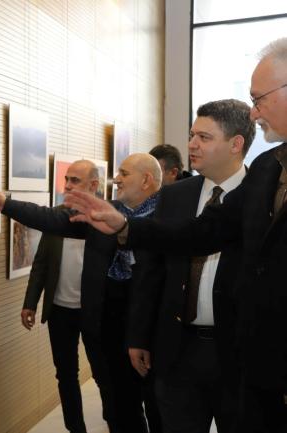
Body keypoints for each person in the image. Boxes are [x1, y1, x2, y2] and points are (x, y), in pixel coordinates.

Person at [64, 38, 287, 433]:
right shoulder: (270, 167)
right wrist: (126, 226)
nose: (254, 112)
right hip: (217, 359)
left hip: (250, 357)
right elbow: (204, 231)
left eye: (259, 99)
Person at [0, 153, 164, 433]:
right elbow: (51, 219)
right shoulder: (107, 212)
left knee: (159, 409)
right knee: (121, 407)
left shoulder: (170, 218)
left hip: (154, 335)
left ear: (146, 180)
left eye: (124, 173)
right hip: (108, 330)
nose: (116, 178)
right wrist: (8, 204)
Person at [128, 99, 255, 433]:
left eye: (203, 137)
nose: (191, 145)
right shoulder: (175, 196)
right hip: (177, 350)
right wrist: (139, 335)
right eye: (191, 135)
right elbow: (151, 271)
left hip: (240, 356)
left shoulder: (261, 198)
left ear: (235, 144)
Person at [22, 160, 99, 433]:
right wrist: (30, 303)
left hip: (94, 311)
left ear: (93, 185)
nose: (66, 185)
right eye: (66, 179)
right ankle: (76, 428)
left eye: (74, 180)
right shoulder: (56, 218)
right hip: (60, 310)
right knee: (66, 375)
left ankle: (116, 419)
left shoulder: (105, 218)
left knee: (103, 373)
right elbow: (41, 263)